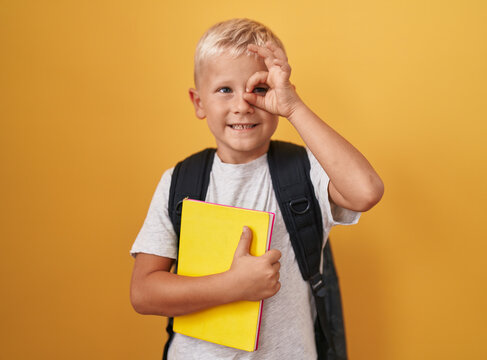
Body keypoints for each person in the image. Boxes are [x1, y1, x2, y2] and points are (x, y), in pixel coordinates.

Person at [130, 18, 384, 359]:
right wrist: (233, 286)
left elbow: (366, 191)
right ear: (198, 102)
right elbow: (144, 292)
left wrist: (293, 106)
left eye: (259, 89)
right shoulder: (179, 182)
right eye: (225, 90)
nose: (243, 104)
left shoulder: (304, 172)